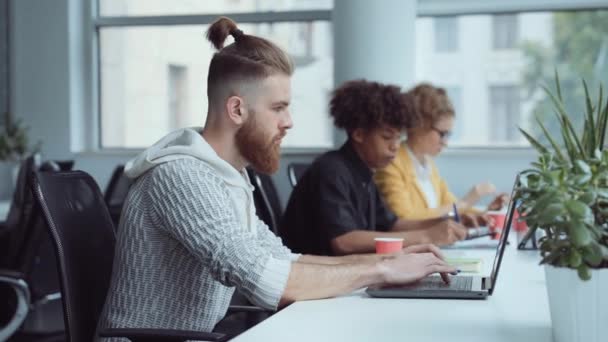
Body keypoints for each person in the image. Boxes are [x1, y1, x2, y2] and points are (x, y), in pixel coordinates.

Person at [96, 17, 458, 339]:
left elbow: (285, 261)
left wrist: (392, 263)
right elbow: (267, 282)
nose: (289, 122)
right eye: (278, 108)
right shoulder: (181, 177)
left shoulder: (228, 178)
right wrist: (381, 270)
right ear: (237, 108)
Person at [280, 80, 469, 257]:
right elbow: (344, 241)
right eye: (387, 137)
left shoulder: (364, 172)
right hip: (318, 284)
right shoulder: (331, 171)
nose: (395, 146)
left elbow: (392, 225)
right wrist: (426, 236)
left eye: (398, 137)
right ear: (359, 134)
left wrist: (444, 223)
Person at [374, 83, 508, 227]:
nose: (445, 142)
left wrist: (487, 213)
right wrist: (465, 202)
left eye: (448, 134)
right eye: (442, 134)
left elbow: (450, 209)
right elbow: (405, 220)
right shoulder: (391, 164)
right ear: (418, 126)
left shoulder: (427, 163)